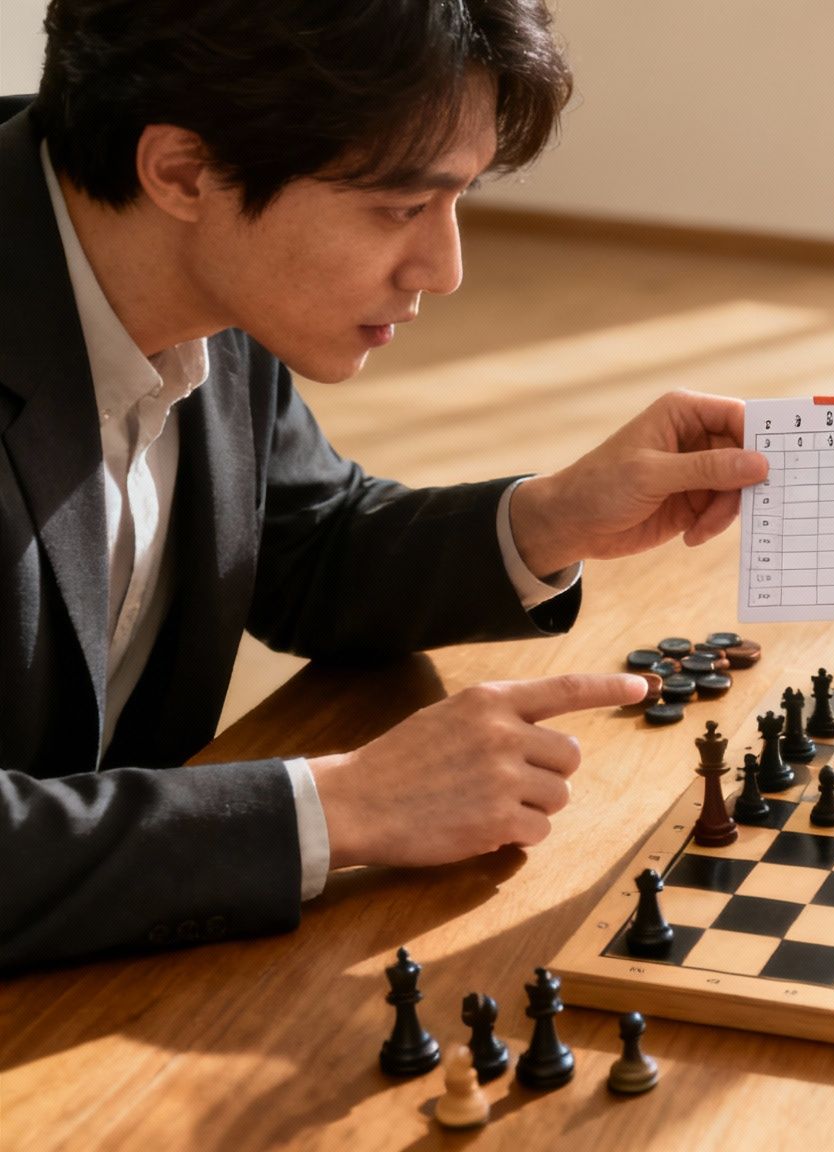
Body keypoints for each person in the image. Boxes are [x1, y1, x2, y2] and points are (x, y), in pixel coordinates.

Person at [0, 0, 769, 972]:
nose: (444, 268)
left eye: (458, 200)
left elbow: (304, 546)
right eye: (401, 207)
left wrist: (548, 516)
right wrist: (342, 805)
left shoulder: (205, 269)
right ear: (182, 171)